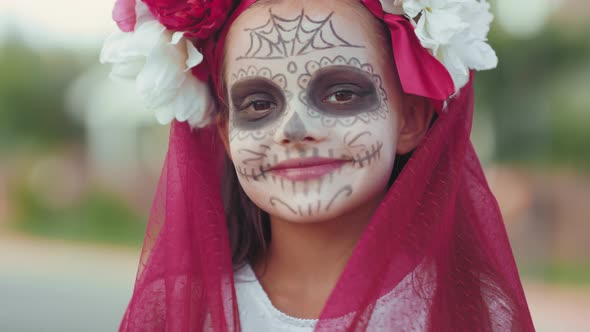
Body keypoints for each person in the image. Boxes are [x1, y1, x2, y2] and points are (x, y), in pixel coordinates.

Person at [101, 0, 535, 331]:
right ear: (225, 135)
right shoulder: (183, 310)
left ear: (411, 119)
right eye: (258, 104)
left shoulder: (472, 309)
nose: (294, 128)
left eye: (341, 94)